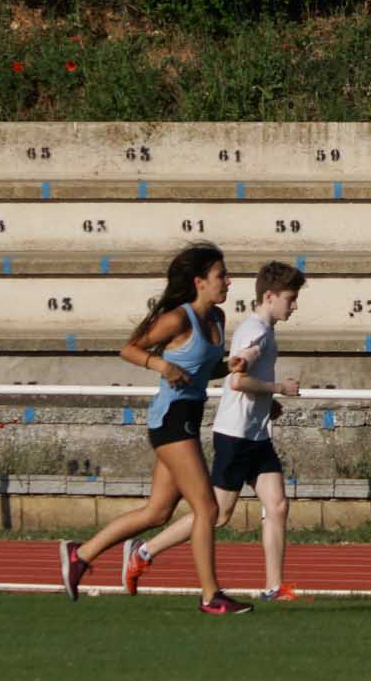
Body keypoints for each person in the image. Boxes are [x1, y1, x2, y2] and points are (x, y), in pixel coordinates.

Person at [58, 243, 255, 615]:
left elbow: (201, 368)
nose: (228, 281)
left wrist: (230, 366)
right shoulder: (177, 319)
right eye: (221, 276)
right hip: (171, 420)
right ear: (199, 282)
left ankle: (79, 555)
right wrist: (161, 366)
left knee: (158, 513)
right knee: (207, 508)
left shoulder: (217, 319)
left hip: (189, 416)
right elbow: (129, 349)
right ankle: (211, 596)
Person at [123, 261, 305, 602]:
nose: (294, 306)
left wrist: (267, 402)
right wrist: (279, 387)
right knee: (217, 515)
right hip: (235, 435)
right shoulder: (255, 332)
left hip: (256, 433)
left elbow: (245, 380)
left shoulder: (265, 329)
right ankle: (144, 551)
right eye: (290, 298)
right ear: (269, 296)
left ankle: (273, 587)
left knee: (277, 504)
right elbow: (237, 380)